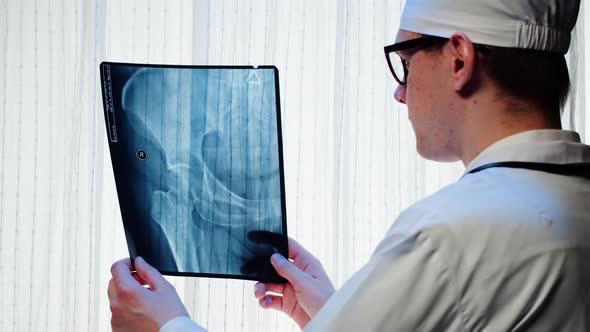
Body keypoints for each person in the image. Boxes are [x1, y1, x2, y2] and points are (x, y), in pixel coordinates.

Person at [108, 0, 590, 330]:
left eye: (405, 61)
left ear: (459, 59)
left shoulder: (447, 235)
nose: (399, 92)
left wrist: (166, 324)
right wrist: (339, 316)